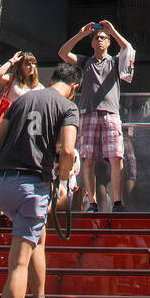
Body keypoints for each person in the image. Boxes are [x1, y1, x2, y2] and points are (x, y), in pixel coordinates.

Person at [0, 63, 81, 298]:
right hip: (33, 187)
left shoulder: (21, 99)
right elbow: (67, 152)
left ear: (51, 79)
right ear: (75, 88)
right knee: (18, 265)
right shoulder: (68, 108)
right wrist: (62, 179)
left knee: (37, 237)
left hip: (3, 185)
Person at [58, 20, 135, 214]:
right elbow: (63, 53)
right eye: (97, 38)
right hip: (88, 113)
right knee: (88, 159)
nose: (100, 41)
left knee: (116, 158)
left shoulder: (115, 62)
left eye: (103, 38)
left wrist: (113, 31)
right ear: (92, 43)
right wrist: (81, 34)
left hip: (110, 114)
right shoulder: (86, 62)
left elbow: (128, 49)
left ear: (109, 43)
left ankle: (118, 203)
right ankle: (91, 203)